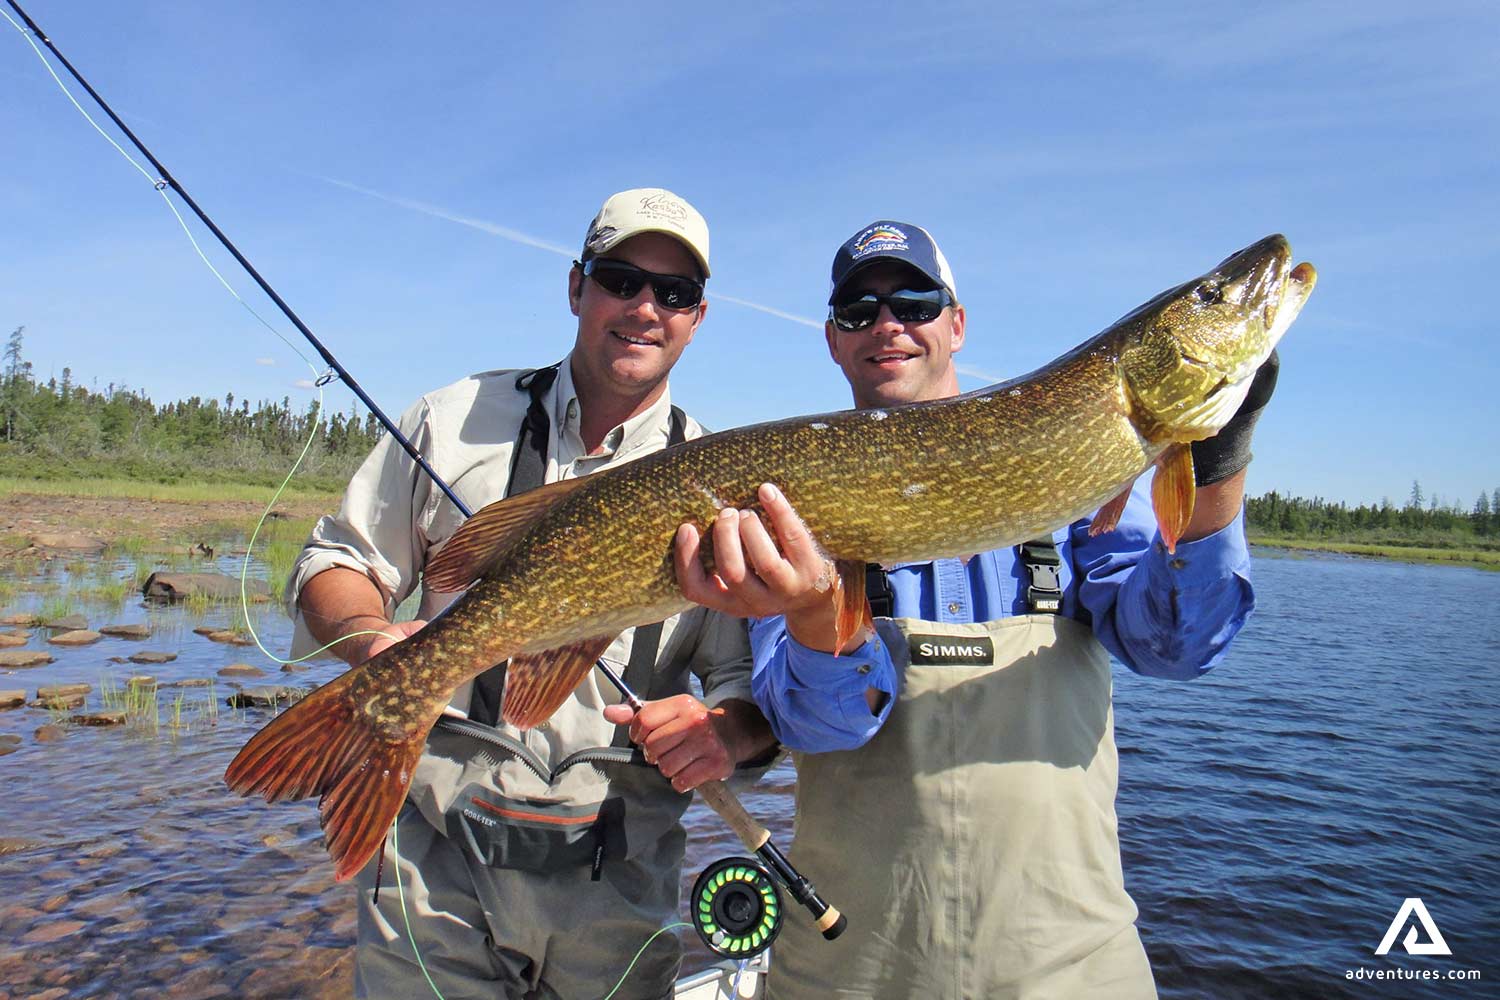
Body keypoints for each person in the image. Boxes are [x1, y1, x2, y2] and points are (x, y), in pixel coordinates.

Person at [663, 220, 1276, 999]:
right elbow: (817, 724)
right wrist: (819, 605)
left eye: (915, 302)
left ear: (956, 324)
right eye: (859, 312)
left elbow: (1177, 645)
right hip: (852, 972)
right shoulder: (786, 506)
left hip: (1069, 967)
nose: (889, 324)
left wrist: (1218, 459)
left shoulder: (1088, 473)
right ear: (833, 341)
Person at [286, 188, 775, 1000]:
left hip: (614, 887)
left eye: (674, 293)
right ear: (577, 286)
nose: (646, 308)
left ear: (697, 316)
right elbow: (338, 563)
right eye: (622, 279)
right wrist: (373, 640)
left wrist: (726, 731)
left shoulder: (723, 481)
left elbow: (746, 691)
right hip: (434, 873)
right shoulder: (452, 420)